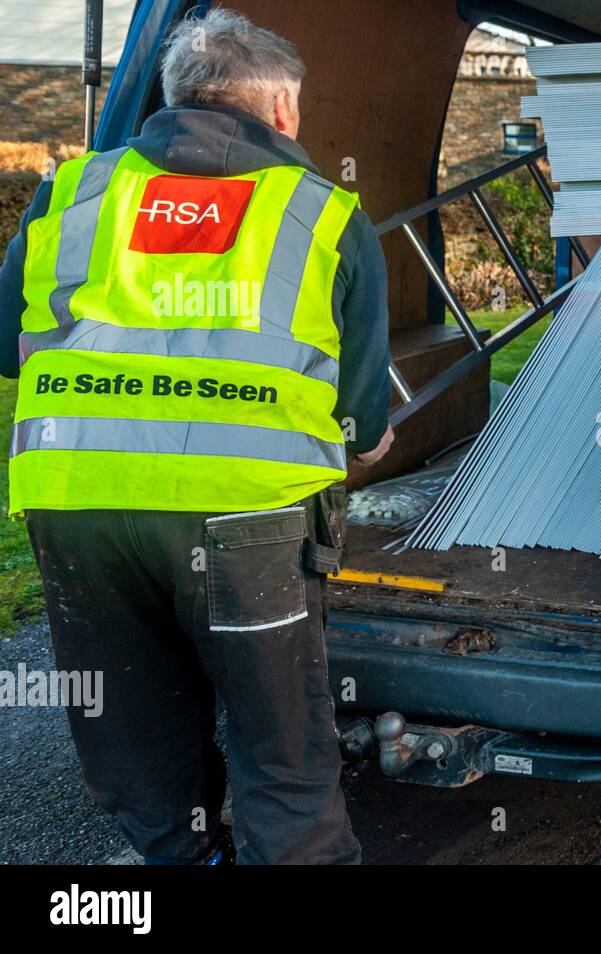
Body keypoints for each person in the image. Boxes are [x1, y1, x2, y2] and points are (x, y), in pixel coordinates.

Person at [0, 9, 394, 864]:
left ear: (172, 98)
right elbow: (362, 422)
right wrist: (365, 447)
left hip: (77, 508)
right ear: (282, 110)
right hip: (247, 522)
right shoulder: (322, 214)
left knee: (135, 733)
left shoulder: (67, 196)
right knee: (282, 747)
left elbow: (8, 349)